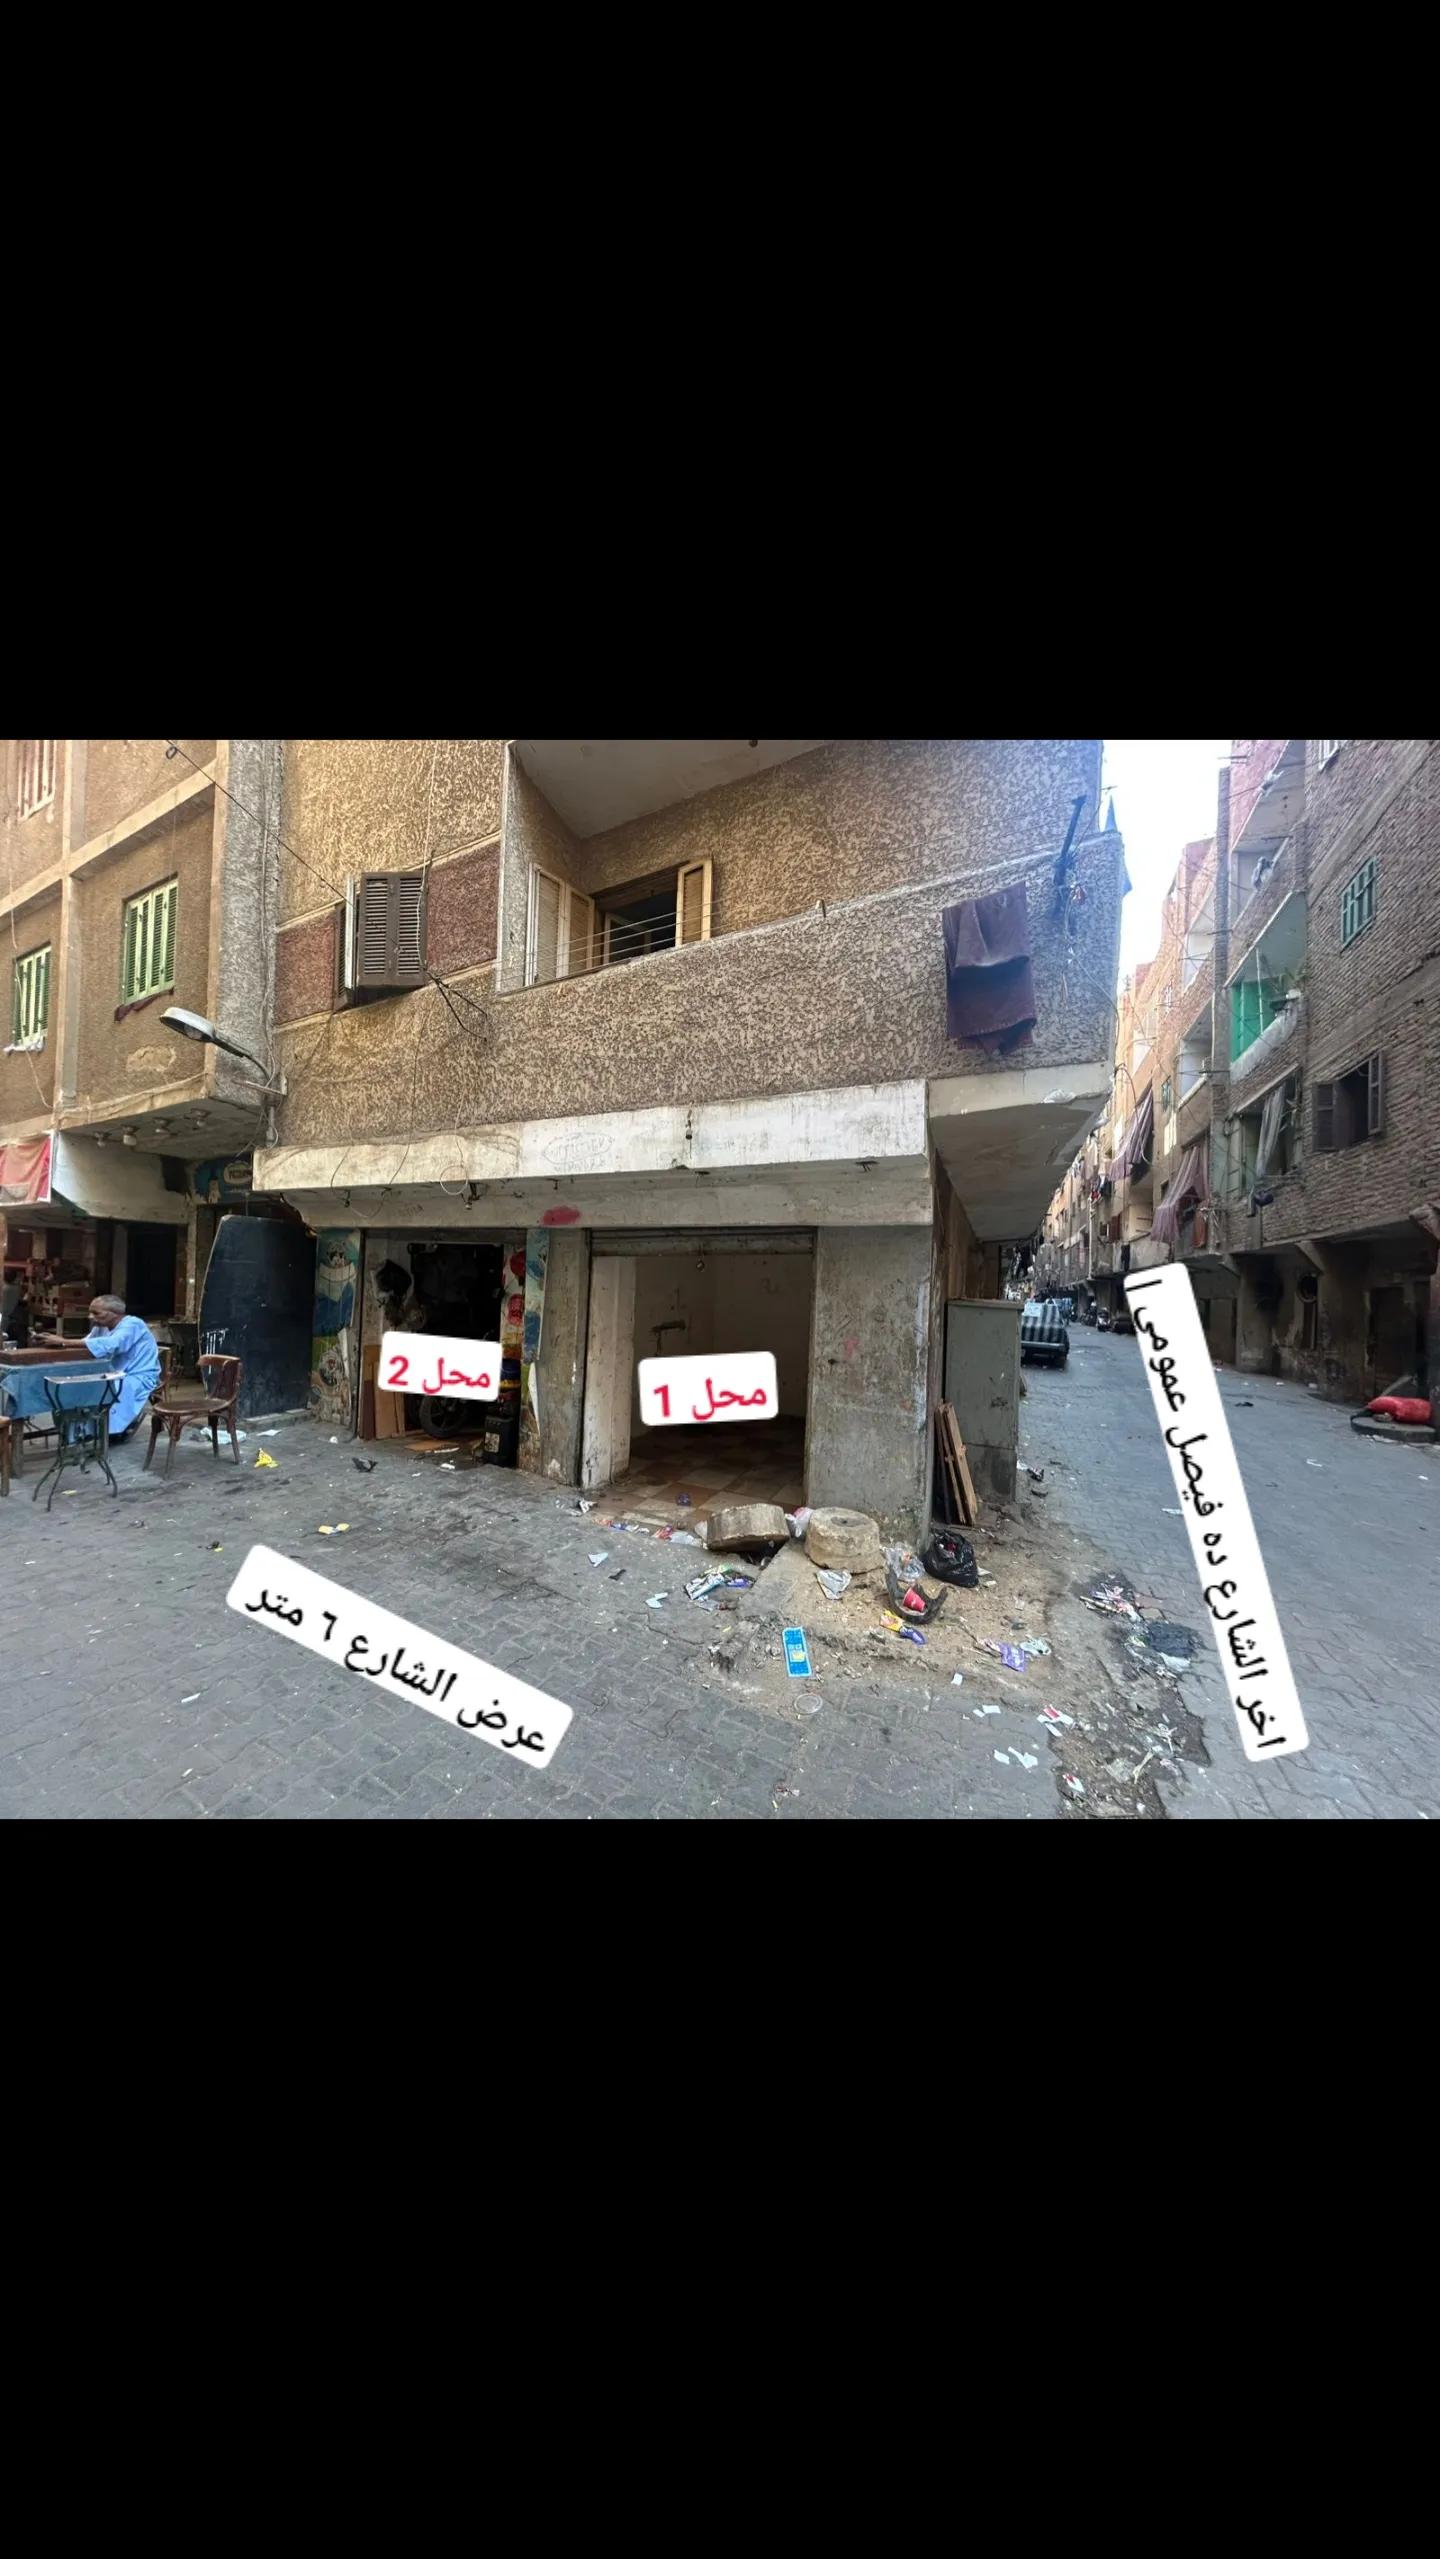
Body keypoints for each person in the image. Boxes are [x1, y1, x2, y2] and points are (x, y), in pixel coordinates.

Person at [83, 1295, 162, 1441]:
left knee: (115, 1387)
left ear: (114, 1313)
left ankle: (112, 1431)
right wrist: (61, 1344)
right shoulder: (100, 1328)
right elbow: (87, 1343)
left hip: (139, 1374)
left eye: (96, 1313)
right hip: (114, 1372)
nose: (91, 1317)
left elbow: (113, 1344)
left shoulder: (133, 1324)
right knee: (85, 1384)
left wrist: (64, 1341)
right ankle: (87, 1429)